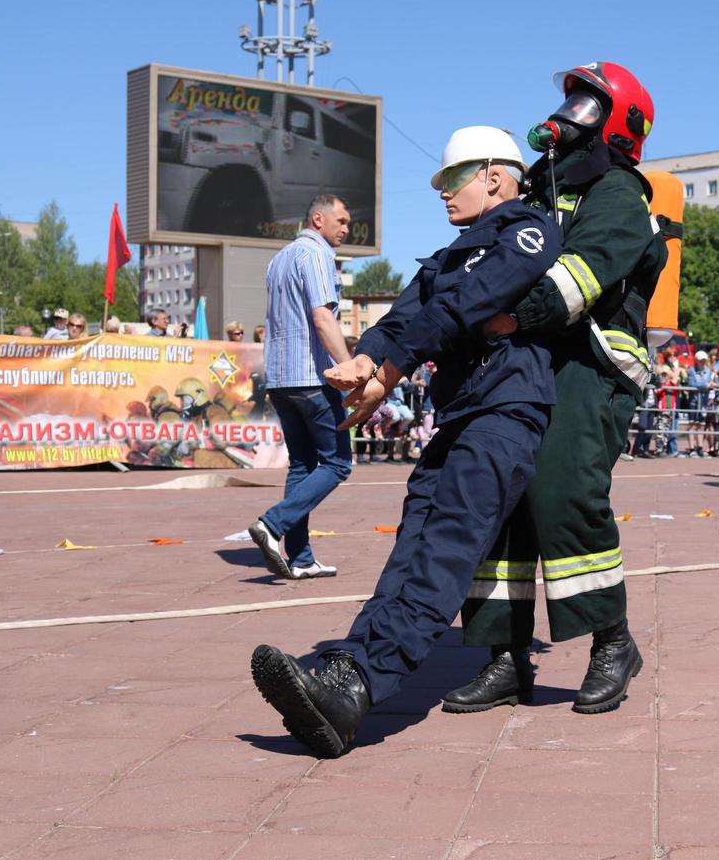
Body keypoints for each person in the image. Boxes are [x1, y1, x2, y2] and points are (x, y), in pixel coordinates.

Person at [250, 126, 561, 758]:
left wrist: (389, 369)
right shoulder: (452, 252)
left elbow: (469, 305)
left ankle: (360, 681)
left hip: (506, 409)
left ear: (496, 177)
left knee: (443, 549)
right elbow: (402, 318)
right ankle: (347, 674)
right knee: (412, 548)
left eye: (452, 180)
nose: (443, 194)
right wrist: (365, 361)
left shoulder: (528, 230)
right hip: (462, 412)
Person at [451, 62, 669, 717]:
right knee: (497, 501)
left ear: (618, 121)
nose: (569, 111)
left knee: (563, 493)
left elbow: (582, 274)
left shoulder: (620, 193)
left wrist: (511, 310)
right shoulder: (543, 193)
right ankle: (504, 659)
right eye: (569, 97)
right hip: (524, 363)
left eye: (585, 101)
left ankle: (612, 643)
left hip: (590, 366)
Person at [246, 194, 354, 582]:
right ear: (318, 218)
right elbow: (323, 318)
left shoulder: (279, 259)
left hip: (280, 378)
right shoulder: (316, 255)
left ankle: (302, 557)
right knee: (339, 463)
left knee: (303, 465)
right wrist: (349, 368)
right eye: (340, 221)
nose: (345, 229)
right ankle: (272, 525)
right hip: (312, 376)